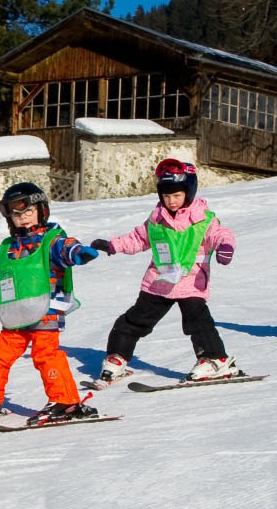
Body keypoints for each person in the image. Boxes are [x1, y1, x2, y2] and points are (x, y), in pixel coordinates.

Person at [0, 182, 104, 425]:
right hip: (16, 316)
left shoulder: (52, 240)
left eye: (28, 212)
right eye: (17, 214)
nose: (23, 218)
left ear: (41, 211)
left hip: (46, 312)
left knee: (46, 355)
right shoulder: (7, 248)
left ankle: (66, 401)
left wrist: (78, 253)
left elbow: (65, 248)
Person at [86, 159, 240, 385]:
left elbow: (220, 234)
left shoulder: (203, 218)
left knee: (198, 322)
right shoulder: (157, 219)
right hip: (160, 281)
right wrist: (113, 245)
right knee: (134, 320)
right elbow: (138, 239)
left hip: (190, 282)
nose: (171, 201)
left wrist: (225, 248)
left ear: (189, 192)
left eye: (177, 195)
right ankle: (117, 358)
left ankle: (215, 359)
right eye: (166, 196)